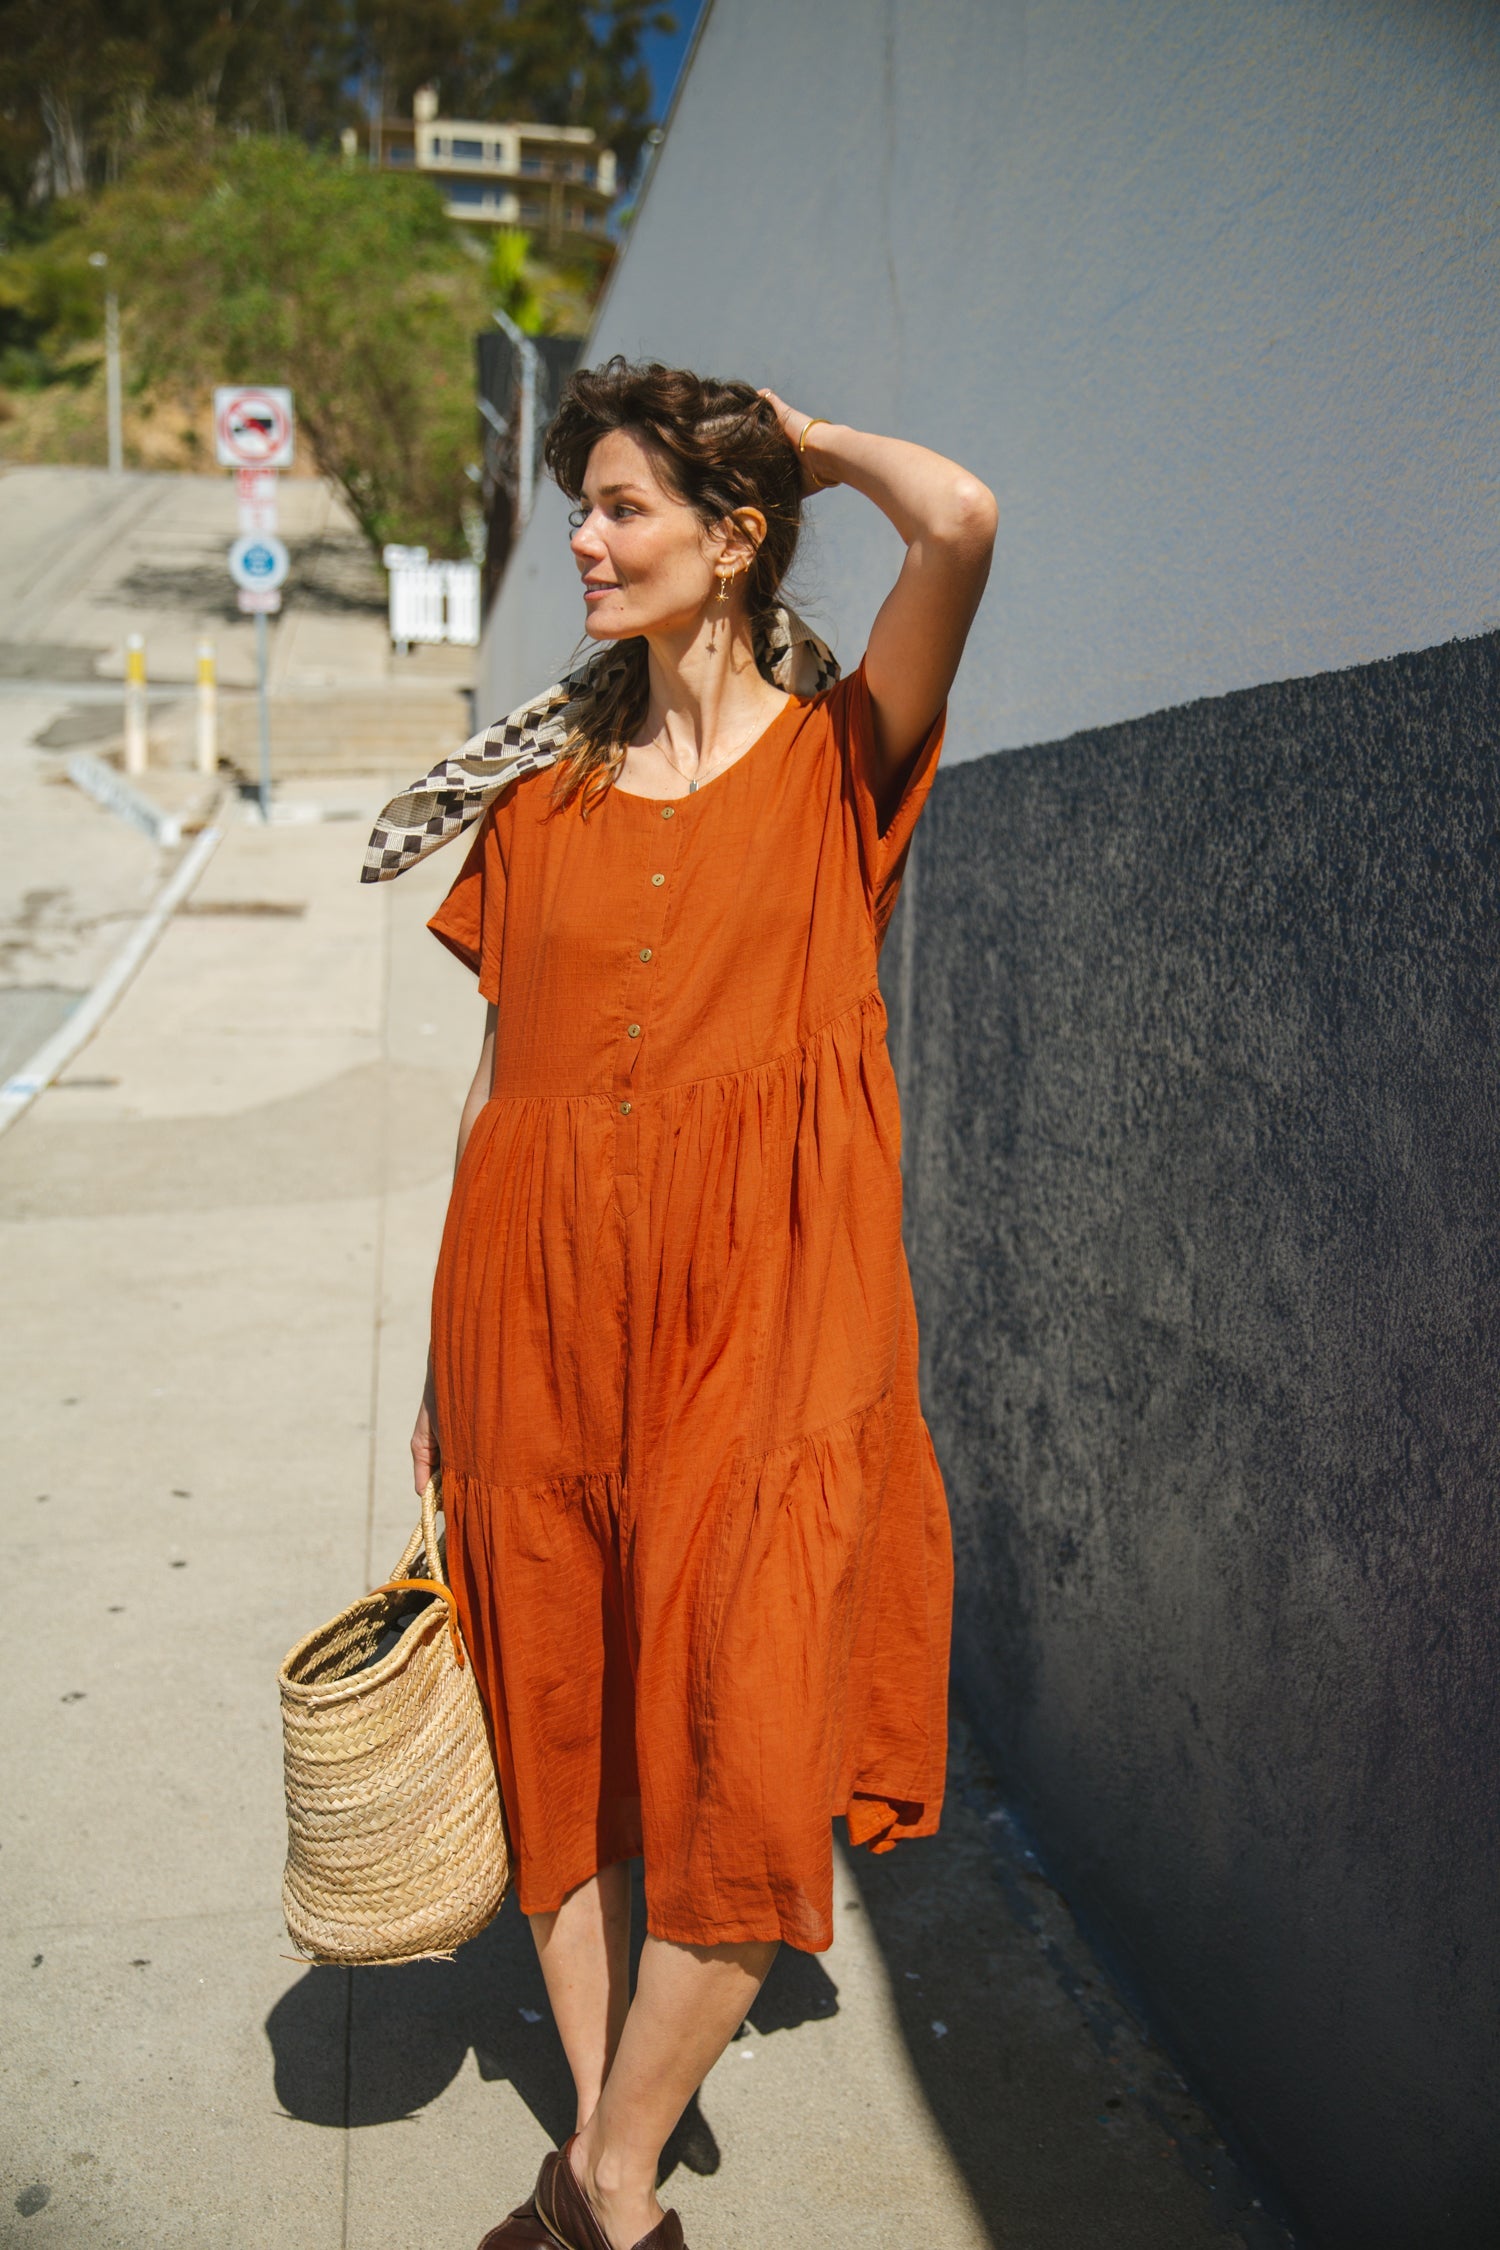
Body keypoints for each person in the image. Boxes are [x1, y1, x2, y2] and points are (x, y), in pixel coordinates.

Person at [408, 358, 996, 2250]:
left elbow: (962, 520)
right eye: (581, 504)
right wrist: (445, 1361)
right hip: (536, 1309)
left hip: (772, 1320)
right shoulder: (544, 794)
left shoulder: (843, 762)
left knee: (750, 1758)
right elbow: (503, 1088)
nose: (582, 538)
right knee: (558, 1727)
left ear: (734, 545)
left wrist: (803, 441)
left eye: (626, 507)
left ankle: (591, 2189)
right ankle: (615, 2157)